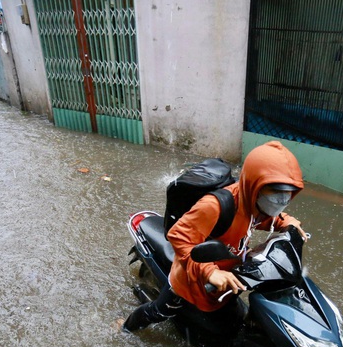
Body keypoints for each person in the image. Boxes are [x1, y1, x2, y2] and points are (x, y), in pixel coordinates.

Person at [123, 141, 307, 334]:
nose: (281, 199)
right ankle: (125, 327)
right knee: (161, 311)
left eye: (287, 193)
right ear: (254, 184)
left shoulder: (255, 205)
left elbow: (265, 220)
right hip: (191, 278)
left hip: (227, 276)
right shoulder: (215, 206)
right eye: (275, 192)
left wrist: (287, 222)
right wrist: (209, 272)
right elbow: (178, 236)